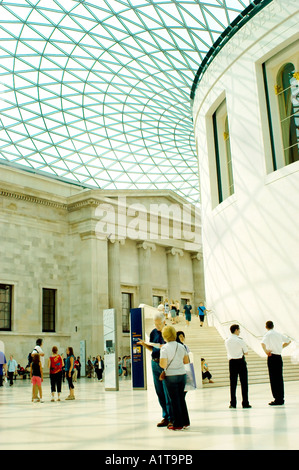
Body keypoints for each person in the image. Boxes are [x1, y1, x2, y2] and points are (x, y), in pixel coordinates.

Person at [137, 312, 173, 428]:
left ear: (164, 322)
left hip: (165, 364)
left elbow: (170, 346)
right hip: (155, 362)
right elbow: (152, 348)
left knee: (167, 392)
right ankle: (165, 416)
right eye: (155, 324)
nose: (157, 326)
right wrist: (144, 344)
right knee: (159, 392)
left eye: (158, 324)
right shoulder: (153, 332)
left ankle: (171, 417)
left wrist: (159, 346)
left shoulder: (169, 332)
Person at [160, 325, 190, 430]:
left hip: (171, 375)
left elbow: (163, 364)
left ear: (165, 336)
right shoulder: (181, 346)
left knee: (174, 400)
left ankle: (177, 424)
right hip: (182, 374)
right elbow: (186, 361)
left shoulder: (164, 348)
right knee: (181, 398)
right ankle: (185, 421)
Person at [261, 320, 291, 406]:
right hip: (278, 357)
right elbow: (288, 341)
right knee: (279, 378)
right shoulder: (278, 334)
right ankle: (281, 398)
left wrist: (266, 351)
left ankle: (276, 398)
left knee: (273, 378)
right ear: (273, 326)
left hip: (272, 357)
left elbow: (262, 343)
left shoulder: (267, 334)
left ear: (266, 327)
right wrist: (281, 347)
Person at [225, 324, 251, 409]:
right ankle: (245, 402)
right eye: (239, 330)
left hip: (232, 362)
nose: (239, 331)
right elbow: (246, 352)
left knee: (233, 384)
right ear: (236, 330)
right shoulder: (240, 340)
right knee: (244, 383)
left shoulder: (227, 340)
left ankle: (233, 403)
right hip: (240, 362)